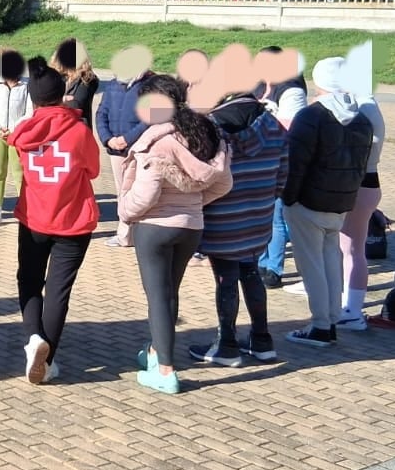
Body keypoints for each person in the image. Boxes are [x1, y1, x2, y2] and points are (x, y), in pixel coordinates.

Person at [118, 74, 233, 394]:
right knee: (170, 293)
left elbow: (146, 193)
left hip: (155, 227)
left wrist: (125, 211)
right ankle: (156, 351)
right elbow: (223, 183)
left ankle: (165, 371)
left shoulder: (156, 140)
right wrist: (194, 200)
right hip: (191, 227)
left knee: (159, 297)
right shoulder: (205, 131)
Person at [8, 60, 101, 385]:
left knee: (29, 281)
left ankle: (34, 337)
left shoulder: (23, 134)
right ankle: (47, 361)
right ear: (63, 94)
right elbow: (93, 170)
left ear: (32, 99)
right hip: (73, 222)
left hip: (34, 217)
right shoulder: (79, 132)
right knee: (59, 291)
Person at [190, 87, 289, 366]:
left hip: (222, 217)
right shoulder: (273, 125)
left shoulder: (211, 127)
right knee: (250, 272)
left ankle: (227, 344)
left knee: (225, 278)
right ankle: (262, 340)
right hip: (258, 216)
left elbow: (202, 177)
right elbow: (283, 176)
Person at [281, 58, 375, 347]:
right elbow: (361, 166)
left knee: (312, 266)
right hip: (340, 202)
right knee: (331, 261)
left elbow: (295, 163)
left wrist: (288, 197)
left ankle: (321, 325)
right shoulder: (361, 118)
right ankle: (332, 317)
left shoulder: (312, 117)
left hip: (308, 202)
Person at [336, 82, 387, 332]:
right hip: (370, 181)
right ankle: (350, 307)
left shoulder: (359, 108)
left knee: (348, 249)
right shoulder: (372, 106)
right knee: (353, 249)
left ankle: (351, 311)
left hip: (355, 182)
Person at [256, 47, 308, 289]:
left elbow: (287, 127)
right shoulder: (257, 85)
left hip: (280, 160)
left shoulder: (292, 89)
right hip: (258, 159)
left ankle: (273, 269)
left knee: (276, 217)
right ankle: (259, 261)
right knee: (261, 214)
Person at [96, 59, 154, 248]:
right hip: (115, 149)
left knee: (141, 193)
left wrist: (127, 139)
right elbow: (101, 113)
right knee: (122, 191)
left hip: (138, 149)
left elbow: (149, 118)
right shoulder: (113, 85)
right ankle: (124, 235)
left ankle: (141, 234)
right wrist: (108, 138)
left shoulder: (150, 86)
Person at [0, 49, 31, 228]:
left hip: (17, 137)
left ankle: (24, 210)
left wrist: (15, 129)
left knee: (20, 174)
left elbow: (29, 112)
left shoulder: (25, 87)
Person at [52, 38, 99, 130]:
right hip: (57, 130)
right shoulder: (58, 77)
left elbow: (76, 104)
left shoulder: (88, 79)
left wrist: (57, 101)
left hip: (78, 131)